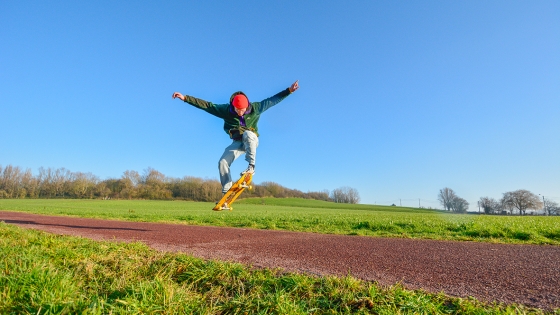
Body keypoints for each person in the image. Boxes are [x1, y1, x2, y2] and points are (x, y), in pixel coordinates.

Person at [172, 80, 299, 204]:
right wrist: (186, 98)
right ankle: (226, 193)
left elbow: (272, 100)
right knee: (222, 162)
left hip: (251, 141)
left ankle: (251, 167)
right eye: (238, 110)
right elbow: (207, 106)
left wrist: (289, 91)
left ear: (247, 106)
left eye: (243, 110)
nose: (240, 112)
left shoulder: (256, 108)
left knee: (248, 134)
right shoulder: (225, 110)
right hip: (237, 143)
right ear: (233, 106)